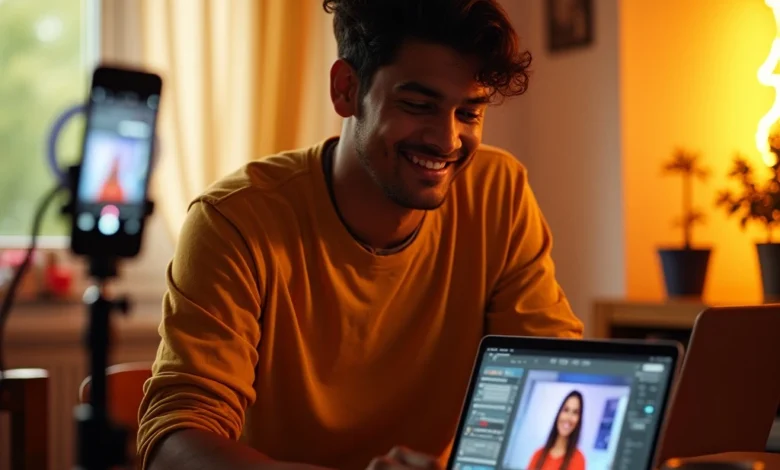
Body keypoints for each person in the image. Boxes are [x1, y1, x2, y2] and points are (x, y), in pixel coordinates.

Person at [137, 0, 584, 469]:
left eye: (469, 113)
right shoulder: (234, 220)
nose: (447, 140)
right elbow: (174, 446)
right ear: (346, 89)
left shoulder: (499, 193)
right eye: (418, 105)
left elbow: (548, 375)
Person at [527, 391, 586, 470]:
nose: (568, 417)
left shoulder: (578, 459)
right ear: (559, 413)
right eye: (566, 410)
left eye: (575, 412)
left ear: (579, 420)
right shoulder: (538, 455)